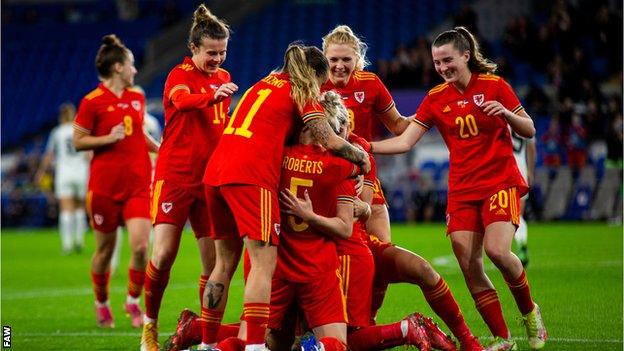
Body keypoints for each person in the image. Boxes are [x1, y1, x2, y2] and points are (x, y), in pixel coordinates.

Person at [370, 27, 547, 351]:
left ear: (466, 56)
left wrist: (507, 114)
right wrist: (363, 146)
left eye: (447, 60)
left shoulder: (495, 86)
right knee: (468, 262)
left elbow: (529, 128)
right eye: (437, 62)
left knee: (497, 251)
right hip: (462, 190)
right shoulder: (436, 98)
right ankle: (502, 339)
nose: (442, 68)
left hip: (499, 181)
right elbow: (406, 141)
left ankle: (529, 311)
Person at [200, 42, 370, 350]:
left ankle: (207, 344)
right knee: (264, 263)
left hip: (216, 171)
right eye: (321, 84)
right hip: (251, 175)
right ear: (314, 75)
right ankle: (254, 347)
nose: (319, 91)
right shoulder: (302, 90)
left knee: (223, 264)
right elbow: (327, 137)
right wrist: (361, 157)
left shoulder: (261, 84)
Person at [139, 5, 238, 351]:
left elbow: (219, 127)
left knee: (214, 266)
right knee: (164, 254)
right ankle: (149, 326)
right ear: (193, 49)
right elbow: (181, 102)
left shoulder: (223, 79)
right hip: (174, 178)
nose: (218, 58)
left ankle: (203, 335)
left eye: (222, 52)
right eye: (211, 52)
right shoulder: (178, 76)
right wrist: (211, 96)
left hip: (209, 182)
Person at [73, 34, 159, 329]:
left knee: (139, 248)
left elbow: (137, 132)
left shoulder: (137, 96)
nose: (135, 70)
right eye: (132, 65)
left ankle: (132, 301)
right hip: (105, 187)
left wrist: (159, 147)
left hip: (137, 184)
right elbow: (78, 141)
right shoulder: (91, 102)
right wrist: (108, 138)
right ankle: (102, 302)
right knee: (105, 251)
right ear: (118, 68)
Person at [321, 25, 413, 243]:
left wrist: (428, 113)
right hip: (323, 170)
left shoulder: (370, 83)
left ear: (357, 58)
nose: (339, 66)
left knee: (382, 244)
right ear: (324, 58)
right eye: (333, 60)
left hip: (363, 171)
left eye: (346, 59)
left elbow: (399, 126)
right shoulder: (314, 85)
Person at [36, 102, 89, 255]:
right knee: (80, 207)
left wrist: (41, 172)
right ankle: (79, 241)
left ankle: (67, 245)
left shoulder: (57, 132)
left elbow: (48, 155)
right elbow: (88, 154)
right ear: (73, 114)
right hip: (81, 173)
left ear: (60, 116)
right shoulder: (80, 130)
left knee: (66, 209)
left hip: (64, 173)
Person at [510, 128, 536, 267]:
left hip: (506, 168)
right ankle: (522, 245)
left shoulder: (500, 117)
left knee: (505, 214)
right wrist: (530, 171)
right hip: (522, 169)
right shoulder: (522, 119)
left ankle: (506, 252)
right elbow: (531, 147)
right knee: (519, 214)